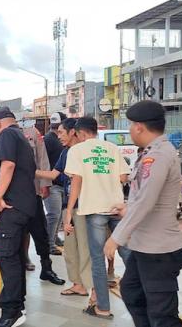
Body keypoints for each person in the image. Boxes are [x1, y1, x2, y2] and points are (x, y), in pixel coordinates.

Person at [104, 100, 182, 326]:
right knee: (132, 292)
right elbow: (144, 197)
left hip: (159, 249)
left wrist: (116, 237)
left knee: (162, 313)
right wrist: (126, 207)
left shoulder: (160, 155)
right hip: (144, 246)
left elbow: (146, 201)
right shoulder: (151, 153)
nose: (131, 130)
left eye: (131, 125)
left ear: (139, 127)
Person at [64, 117, 130, 320]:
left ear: (80, 133)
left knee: (98, 261)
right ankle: (146, 298)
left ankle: (102, 307)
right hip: (117, 209)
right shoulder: (112, 148)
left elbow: (76, 181)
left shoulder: (77, 151)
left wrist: (68, 214)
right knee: (129, 256)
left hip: (95, 210)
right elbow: (123, 177)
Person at [0, 107, 37, 327]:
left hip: (12, 206)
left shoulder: (8, 134)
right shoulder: (21, 136)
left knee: (7, 257)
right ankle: (19, 304)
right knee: (16, 257)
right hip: (24, 206)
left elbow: (8, 164)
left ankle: (11, 311)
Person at [37, 118, 92, 297]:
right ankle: (78, 283)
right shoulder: (66, 152)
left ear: (73, 132)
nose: (58, 135)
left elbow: (79, 180)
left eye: (61, 132)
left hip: (82, 206)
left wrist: (69, 211)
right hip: (71, 205)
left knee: (84, 248)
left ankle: (89, 288)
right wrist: (31, 169)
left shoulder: (83, 152)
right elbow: (54, 174)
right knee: (71, 248)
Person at [21, 125, 65, 284]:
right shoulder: (1, 136)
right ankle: (22, 263)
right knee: (17, 234)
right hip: (11, 196)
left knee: (41, 232)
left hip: (33, 192)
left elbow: (42, 158)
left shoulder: (32, 133)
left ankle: (46, 268)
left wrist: (45, 184)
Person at [43, 112, 68, 254]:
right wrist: (44, 183)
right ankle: (49, 244)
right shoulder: (49, 139)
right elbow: (43, 163)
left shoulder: (53, 139)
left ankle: (54, 239)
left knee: (57, 215)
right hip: (52, 183)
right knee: (54, 214)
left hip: (59, 182)